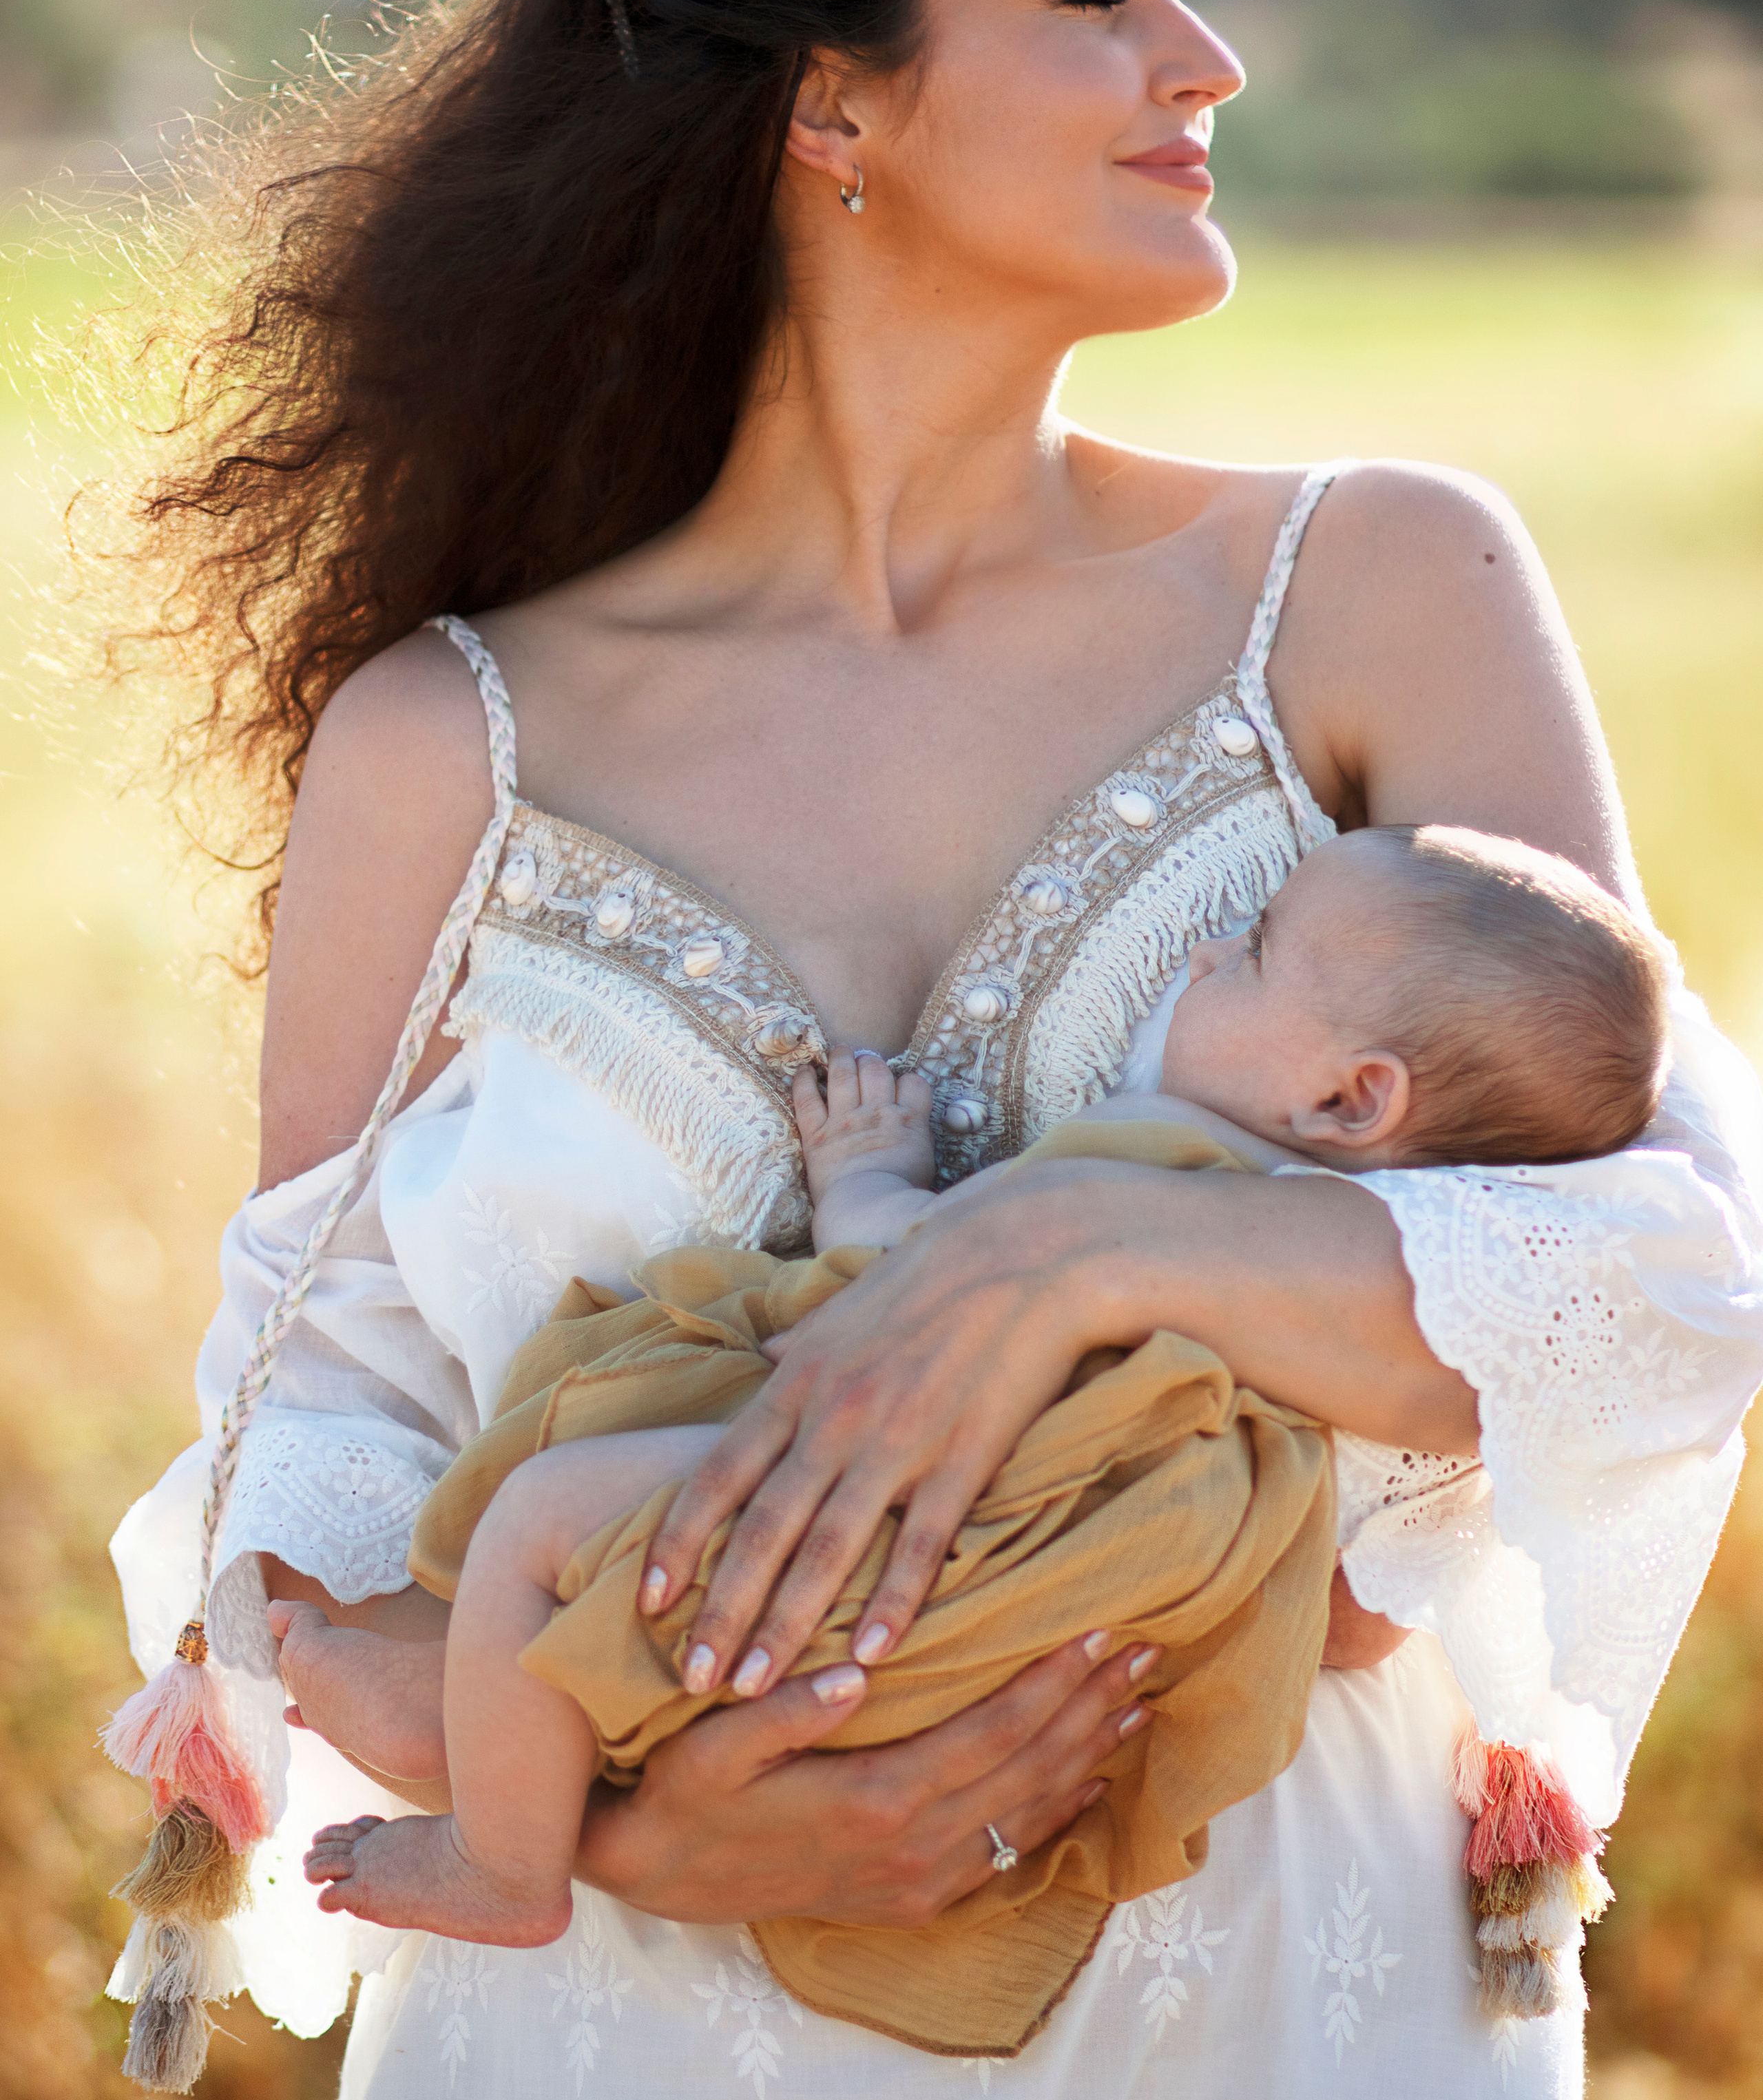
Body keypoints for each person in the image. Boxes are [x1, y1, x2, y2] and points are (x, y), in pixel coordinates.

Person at [104, 0, 1763, 2100]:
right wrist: (655, 1832)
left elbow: (1666, 1286)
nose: (1205, 69)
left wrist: (1068, 1245)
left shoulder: (1386, 591)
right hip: (614, 2023)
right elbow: (304, 1460)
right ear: (833, 102)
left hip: (1287, 1983)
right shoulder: (445, 743)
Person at [271, 823, 1669, 2019]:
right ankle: (493, 1731)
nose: (1195, 954)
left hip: (944, 1543)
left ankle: (504, 1855)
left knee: (545, 1524)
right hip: (1050, 1621)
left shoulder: (1172, 1171)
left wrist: (870, 1175)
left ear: (1349, 1096)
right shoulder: (1343, 1268)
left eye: (1245, 952)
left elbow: (920, 1289)